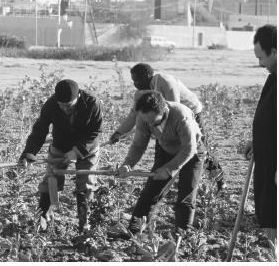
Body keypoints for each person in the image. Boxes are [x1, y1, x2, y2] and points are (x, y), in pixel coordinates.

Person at [109, 63, 224, 191]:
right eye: (133, 81)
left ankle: (219, 178)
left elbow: (174, 110)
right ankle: (165, 178)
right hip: (165, 118)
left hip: (189, 114)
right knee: (165, 146)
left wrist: (157, 131)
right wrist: (119, 133)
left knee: (199, 147)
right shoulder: (142, 93)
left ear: (147, 76)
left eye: (137, 80)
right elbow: (134, 115)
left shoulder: (166, 82)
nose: (135, 83)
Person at [115, 91, 203, 239]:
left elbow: (189, 148)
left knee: (186, 195)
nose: (149, 125)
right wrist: (127, 164)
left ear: (163, 111)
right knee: (150, 192)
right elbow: (138, 145)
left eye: (153, 122)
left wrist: (169, 169)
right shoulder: (144, 118)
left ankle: (182, 237)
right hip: (167, 149)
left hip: (192, 153)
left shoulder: (181, 116)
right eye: (146, 121)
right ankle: (134, 231)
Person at [19, 79, 102, 233]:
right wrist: (29, 153)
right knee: (51, 179)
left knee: (86, 184)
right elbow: (39, 131)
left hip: (87, 148)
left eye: (68, 105)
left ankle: (84, 224)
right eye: (61, 105)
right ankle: (42, 219)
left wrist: (77, 152)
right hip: (61, 144)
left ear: (77, 97)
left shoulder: (91, 104)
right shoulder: (51, 105)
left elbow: (94, 132)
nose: (64, 109)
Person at [243, 24, 276, 244]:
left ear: (274, 51)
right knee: (269, 212)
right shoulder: (273, 78)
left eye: (261, 57)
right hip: (266, 159)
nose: (260, 64)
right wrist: (256, 141)